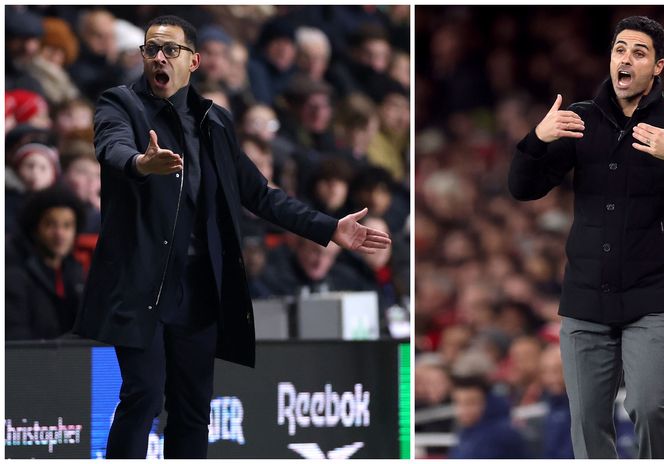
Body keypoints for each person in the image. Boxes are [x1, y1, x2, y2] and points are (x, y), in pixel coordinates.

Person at [71, 15, 390, 459]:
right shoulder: (119, 103)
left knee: (193, 409)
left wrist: (329, 228)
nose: (158, 57)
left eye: (170, 50)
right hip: (140, 284)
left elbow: (258, 193)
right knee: (143, 394)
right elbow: (112, 146)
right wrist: (141, 165)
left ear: (194, 61)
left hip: (200, 287)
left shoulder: (214, 121)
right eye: (150, 49)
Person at [508, 16, 664, 458]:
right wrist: (536, 138)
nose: (626, 58)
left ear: (658, 67)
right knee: (587, 419)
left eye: (638, 52)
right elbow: (523, 188)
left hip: (654, 292)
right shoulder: (579, 118)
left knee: (650, 406)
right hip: (587, 296)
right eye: (619, 49)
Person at [6, 186, 86, 340]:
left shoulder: (77, 274)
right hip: (34, 361)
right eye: (50, 224)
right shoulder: (14, 274)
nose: (60, 234)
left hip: (73, 360)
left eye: (67, 225)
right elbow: (16, 339)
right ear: (35, 229)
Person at [448, 376, 527, 459]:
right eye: (458, 402)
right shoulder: (466, 431)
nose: (463, 410)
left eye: (471, 403)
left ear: (487, 402)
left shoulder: (502, 434)